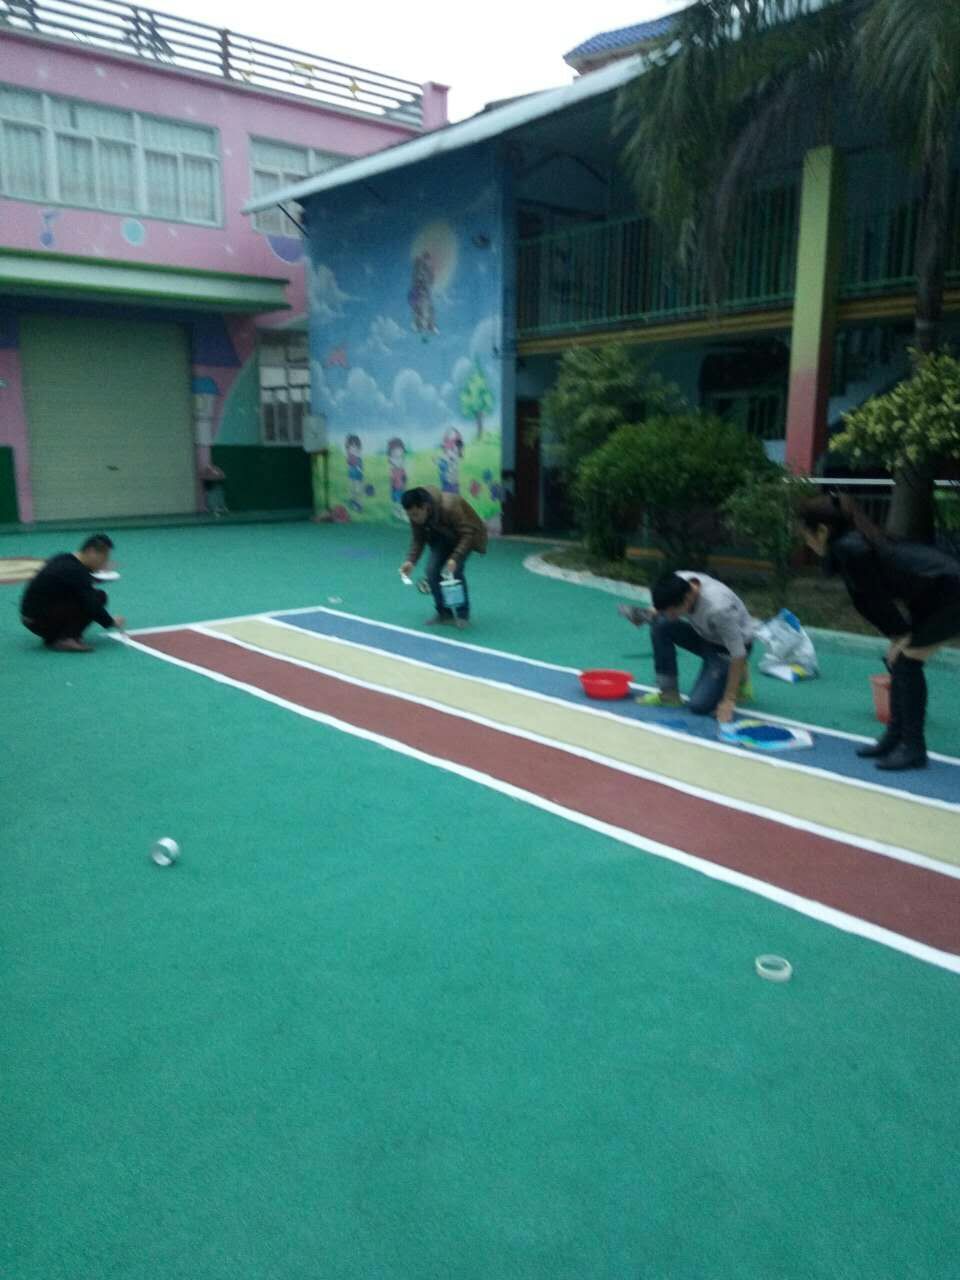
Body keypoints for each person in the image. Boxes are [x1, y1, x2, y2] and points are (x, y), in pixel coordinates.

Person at [799, 493, 960, 771]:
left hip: (951, 593)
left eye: (806, 535)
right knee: (899, 660)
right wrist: (899, 636)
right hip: (932, 595)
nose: (806, 543)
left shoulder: (851, 547)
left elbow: (873, 600)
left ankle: (913, 748)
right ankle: (895, 737)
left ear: (822, 531)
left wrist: (901, 636)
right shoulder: (849, 544)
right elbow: (867, 601)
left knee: (907, 662)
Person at [629, 571, 754, 722]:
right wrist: (644, 615)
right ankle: (669, 694)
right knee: (661, 624)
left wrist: (729, 700)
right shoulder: (678, 582)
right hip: (705, 635)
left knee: (699, 706)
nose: (670, 615)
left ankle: (738, 673)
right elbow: (663, 609)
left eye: (673, 612)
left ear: (687, 599)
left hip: (727, 648)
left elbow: (739, 652)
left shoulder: (719, 608)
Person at [399, 486, 488, 628]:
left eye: (415, 514)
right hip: (441, 539)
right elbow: (418, 539)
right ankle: (444, 613)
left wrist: (455, 558)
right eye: (410, 515)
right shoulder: (415, 514)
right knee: (431, 571)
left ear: (425, 507)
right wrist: (411, 561)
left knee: (455, 572)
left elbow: (468, 534)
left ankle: (462, 615)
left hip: (465, 538)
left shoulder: (450, 507)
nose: (413, 519)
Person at [20, 534, 126, 652]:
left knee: (87, 596)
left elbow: (76, 582)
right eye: (103, 558)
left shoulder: (63, 558)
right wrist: (111, 622)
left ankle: (56, 636)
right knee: (98, 597)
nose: (104, 563)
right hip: (39, 622)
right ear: (91, 552)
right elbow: (92, 604)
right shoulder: (75, 570)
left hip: (32, 618)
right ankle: (66, 638)